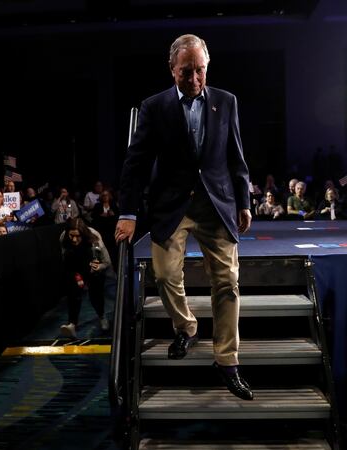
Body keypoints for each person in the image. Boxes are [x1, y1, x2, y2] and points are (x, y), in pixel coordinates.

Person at [115, 34, 253, 401]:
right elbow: (136, 163)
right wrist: (128, 213)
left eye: (200, 71)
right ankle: (187, 327)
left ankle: (227, 361)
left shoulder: (227, 102)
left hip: (217, 204)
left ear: (207, 66)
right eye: (186, 72)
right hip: (171, 206)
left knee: (227, 283)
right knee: (163, 274)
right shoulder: (154, 106)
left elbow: (235, 156)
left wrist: (244, 201)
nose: (194, 79)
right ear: (172, 69)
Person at [59, 217, 112, 338]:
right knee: (73, 294)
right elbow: (65, 258)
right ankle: (72, 324)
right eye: (71, 236)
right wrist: (76, 277)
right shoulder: (64, 237)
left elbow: (107, 261)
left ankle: (102, 316)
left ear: (83, 234)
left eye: (77, 236)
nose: (74, 239)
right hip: (75, 263)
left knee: (95, 295)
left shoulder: (94, 237)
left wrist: (99, 267)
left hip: (94, 264)